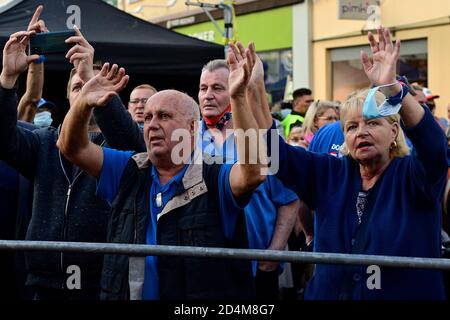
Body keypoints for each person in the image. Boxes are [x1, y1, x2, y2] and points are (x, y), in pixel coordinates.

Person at [57, 44, 268, 300]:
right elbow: (71, 147)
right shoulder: (130, 169)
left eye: (164, 116)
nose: (152, 125)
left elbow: (255, 172)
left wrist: (238, 98)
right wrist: (83, 103)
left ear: (192, 127)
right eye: (147, 118)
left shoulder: (213, 174)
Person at [253, 27, 448, 299]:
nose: (361, 132)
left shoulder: (414, 176)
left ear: (394, 132)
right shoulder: (330, 172)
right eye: (351, 126)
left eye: (373, 123)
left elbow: (435, 147)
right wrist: (251, 94)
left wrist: (394, 91)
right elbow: (274, 154)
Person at [0, 6, 144, 300]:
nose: (84, 90)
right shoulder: (43, 143)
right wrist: (7, 81)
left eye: (92, 85)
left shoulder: (116, 146)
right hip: (43, 282)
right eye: (78, 85)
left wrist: (90, 77)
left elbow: (137, 149)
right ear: (67, 95)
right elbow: (4, 140)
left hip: (102, 283)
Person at [198, 51, 299, 300]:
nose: (208, 95)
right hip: (203, 267)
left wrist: (273, 255)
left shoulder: (263, 139)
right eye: (203, 88)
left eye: (217, 88)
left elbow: (288, 199)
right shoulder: (187, 138)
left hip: (257, 267)